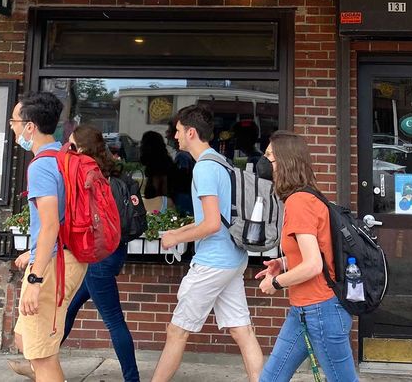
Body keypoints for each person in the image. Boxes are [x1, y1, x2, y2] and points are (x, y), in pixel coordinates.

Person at [151, 105, 263, 382]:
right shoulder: (220, 162)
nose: (174, 136)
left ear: (191, 132)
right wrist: (179, 230)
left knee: (177, 331)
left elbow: (212, 224)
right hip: (233, 258)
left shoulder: (203, 168)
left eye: (177, 131)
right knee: (242, 331)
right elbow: (216, 219)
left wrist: (176, 237)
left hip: (213, 262)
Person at [255, 131, 358, 382]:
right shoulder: (306, 196)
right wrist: (283, 263)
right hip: (304, 310)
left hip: (321, 311)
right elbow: (319, 254)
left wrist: (276, 283)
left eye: (269, 156)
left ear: (285, 161)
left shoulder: (299, 202)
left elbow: (313, 265)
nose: (263, 161)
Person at [7, 92, 88, 382]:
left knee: (42, 356)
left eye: (15, 121)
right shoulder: (64, 157)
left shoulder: (41, 165)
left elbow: (51, 225)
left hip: (55, 265)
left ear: (30, 126)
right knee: (25, 339)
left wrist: (34, 279)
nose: (12, 127)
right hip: (65, 256)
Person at [58, 125, 140, 382]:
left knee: (114, 320)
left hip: (96, 255)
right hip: (115, 251)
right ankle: (40, 363)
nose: (67, 150)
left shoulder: (86, 175)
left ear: (81, 148)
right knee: (69, 308)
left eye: (71, 145)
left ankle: (132, 378)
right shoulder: (116, 173)